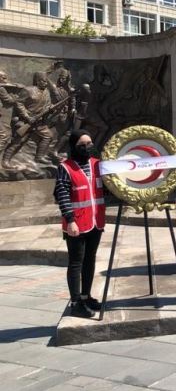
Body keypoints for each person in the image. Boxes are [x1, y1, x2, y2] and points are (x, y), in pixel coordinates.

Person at [53, 130, 104, 318]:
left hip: (95, 222)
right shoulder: (65, 167)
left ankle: (86, 296)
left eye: (89, 143)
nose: (87, 147)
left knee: (90, 259)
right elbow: (62, 195)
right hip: (76, 224)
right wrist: (70, 220)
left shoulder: (97, 164)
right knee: (76, 262)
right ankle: (75, 303)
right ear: (74, 147)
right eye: (82, 145)